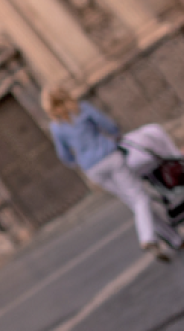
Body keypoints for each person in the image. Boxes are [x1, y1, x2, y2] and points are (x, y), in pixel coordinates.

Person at [45, 85, 180, 261]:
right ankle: (147, 238)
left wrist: (80, 161)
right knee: (141, 199)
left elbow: (64, 155)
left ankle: (174, 239)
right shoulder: (82, 109)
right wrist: (116, 137)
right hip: (110, 157)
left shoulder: (56, 127)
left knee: (135, 204)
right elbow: (109, 126)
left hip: (92, 169)